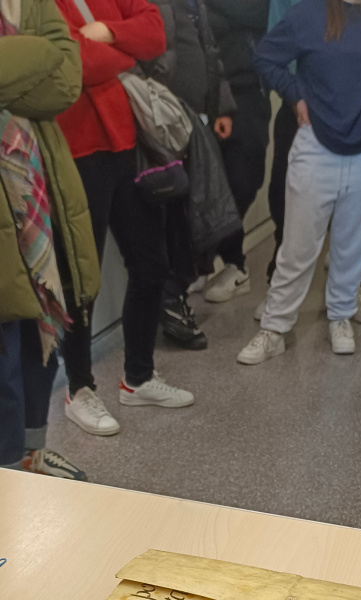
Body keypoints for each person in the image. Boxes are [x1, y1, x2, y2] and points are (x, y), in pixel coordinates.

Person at [55, 0, 194, 436]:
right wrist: (126, 52)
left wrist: (108, 33)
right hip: (76, 150)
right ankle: (79, 388)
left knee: (151, 264)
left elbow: (155, 31)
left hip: (127, 143)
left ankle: (138, 377)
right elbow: (73, 63)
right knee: (81, 280)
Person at [237, 0, 361, 365]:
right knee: (297, 248)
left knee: (353, 246)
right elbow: (264, 57)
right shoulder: (308, 14)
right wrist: (295, 95)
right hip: (315, 145)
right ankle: (275, 328)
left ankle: (340, 315)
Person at [0, 0, 100, 480]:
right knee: (3, 354)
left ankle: (31, 457)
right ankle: (8, 478)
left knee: (36, 331)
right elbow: (50, 57)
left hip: (34, 188)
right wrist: (37, 53)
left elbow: (65, 79)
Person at [149, 0, 238, 348]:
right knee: (175, 218)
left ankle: (176, 292)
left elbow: (210, 52)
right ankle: (170, 298)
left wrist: (222, 107)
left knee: (201, 214)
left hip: (197, 122)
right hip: (165, 125)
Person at [203, 0, 271, 304]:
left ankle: (229, 261)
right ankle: (216, 261)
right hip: (206, 86)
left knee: (245, 179)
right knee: (205, 182)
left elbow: (261, 12)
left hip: (249, 88)